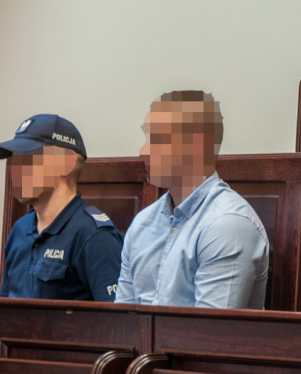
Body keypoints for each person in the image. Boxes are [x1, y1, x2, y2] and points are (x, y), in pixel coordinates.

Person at [115, 91, 269, 309]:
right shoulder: (142, 223)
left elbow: (208, 329)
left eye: (157, 140)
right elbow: (122, 320)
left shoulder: (229, 225)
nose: (143, 152)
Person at [0, 114, 123, 301]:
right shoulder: (20, 229)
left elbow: (115, 317)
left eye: (28, 158)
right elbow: (2, 309)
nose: (16, 170)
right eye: (14, 160)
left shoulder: (94, 236)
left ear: (65, 164)